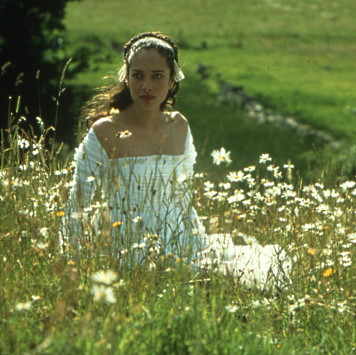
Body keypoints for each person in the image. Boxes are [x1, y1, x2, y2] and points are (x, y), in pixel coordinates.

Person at [60, 32, 290, 291]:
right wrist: (73, 263)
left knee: (249, 279)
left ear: (171, 81)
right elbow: (79, 203)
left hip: (181, 241)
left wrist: (197, 245)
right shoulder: (104, 131)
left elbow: (182, 198)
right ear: (127, 79)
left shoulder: (178, 126)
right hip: (127, 245)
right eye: (138, 75)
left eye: (157, 76)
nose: (146, 85)